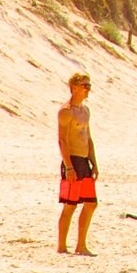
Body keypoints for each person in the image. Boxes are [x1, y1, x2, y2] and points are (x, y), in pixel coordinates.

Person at [58, 72, 98, 256]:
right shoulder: (66, 111)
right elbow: (62, 141)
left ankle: (81, 245)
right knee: (70, 205)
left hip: (84, 161)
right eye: (84, 85)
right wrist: (69, 167)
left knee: (91, 203)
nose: (88, 89)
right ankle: (61, 246)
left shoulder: (85, 111)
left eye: (89, 85)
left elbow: (88, 138)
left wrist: (94, 162)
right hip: (72, 160)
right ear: (74, 87)